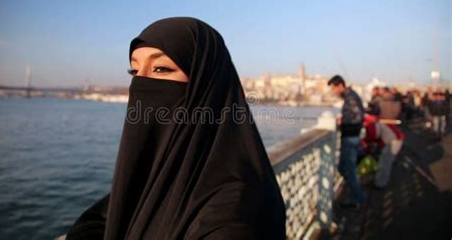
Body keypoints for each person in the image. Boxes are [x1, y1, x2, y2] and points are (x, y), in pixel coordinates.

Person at [66, 17, 286, 239]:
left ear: (204, 85)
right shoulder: (167, 168)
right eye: (133, 71)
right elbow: (104, 216)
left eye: (160, 68)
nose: (140, 83)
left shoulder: (232, 213)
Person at [328, 75, 365, 209]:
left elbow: (357, 117)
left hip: (350, 138)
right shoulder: (350, 96)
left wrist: (342, 121)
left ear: (340, 86)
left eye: (333, 89)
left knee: (348, 169)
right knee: (345, 168)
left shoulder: (350, 97)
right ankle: (358, 195)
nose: (333, 92)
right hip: (350, 137)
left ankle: (358, 198)